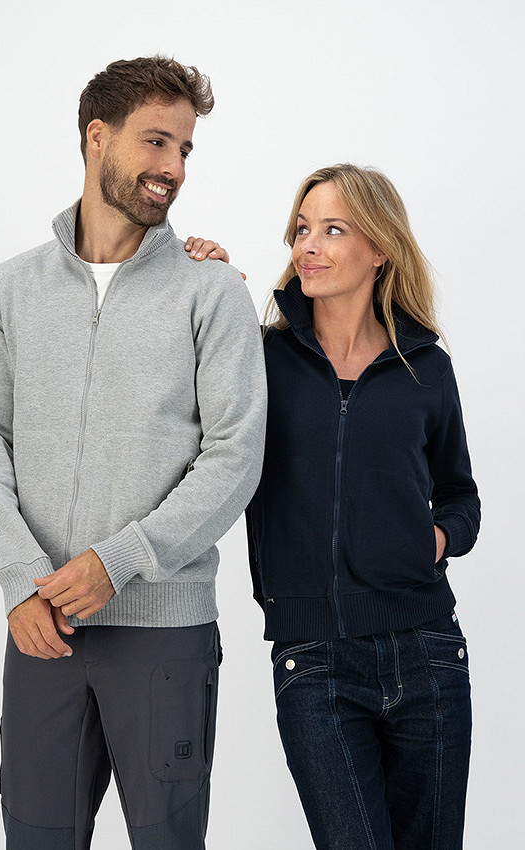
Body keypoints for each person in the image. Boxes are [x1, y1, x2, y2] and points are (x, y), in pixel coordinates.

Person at [0, 56, 267, 850]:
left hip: (164, 633)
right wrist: (20, 581)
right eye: (156, 142)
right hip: (43, 628)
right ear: (98, 137)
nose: (174, 168)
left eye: (185, 149)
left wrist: (121, 559)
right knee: (35, 836)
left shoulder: (211, 290)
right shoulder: (12, 290)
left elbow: (235, 456)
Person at [187, 163, 480, 849]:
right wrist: (207, 290)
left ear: (379, 248)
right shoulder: (262, 358)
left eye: (333, 230)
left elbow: (459, 496)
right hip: (315, 660)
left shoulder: (425, 367)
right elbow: (189, 416)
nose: (307, 246)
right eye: (301, 228)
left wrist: (433, 540)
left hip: (428, 651)